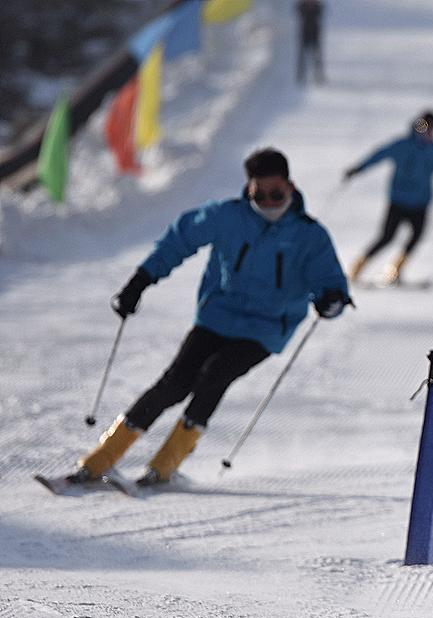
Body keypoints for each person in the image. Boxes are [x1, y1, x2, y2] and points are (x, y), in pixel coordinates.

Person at [61, 148, 350, 486]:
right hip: (217, 317)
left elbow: (331, 283)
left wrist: (332, 301)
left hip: (267, 328)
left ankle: (166, 464)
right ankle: (102, 458)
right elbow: (178, 241)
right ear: (249, 189)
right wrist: (139, 281)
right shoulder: (228, 216)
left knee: (216, 375)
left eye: (276, 193)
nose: (269, 202)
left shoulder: (309, 235)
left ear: (291, 186)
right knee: (174, 383)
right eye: (260, 194)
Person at [344, 110, 433, 285]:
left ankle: (395, 272)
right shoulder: (403, 145)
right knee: (386, 237)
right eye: (427, 127)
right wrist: (358, 169)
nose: (430, 131)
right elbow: (378, 155)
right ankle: (357, 268)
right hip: (399, 201)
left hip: (420, 204)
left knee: (416, 238)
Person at [296, 0, 325, 85]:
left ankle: (318, 75)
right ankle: (301, 75)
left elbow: (320, 14)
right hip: (304, 34)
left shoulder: (318, 6)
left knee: (317, 55)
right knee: (302, 56)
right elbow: (298, 12)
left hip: (315, 33)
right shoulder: (301, 6)